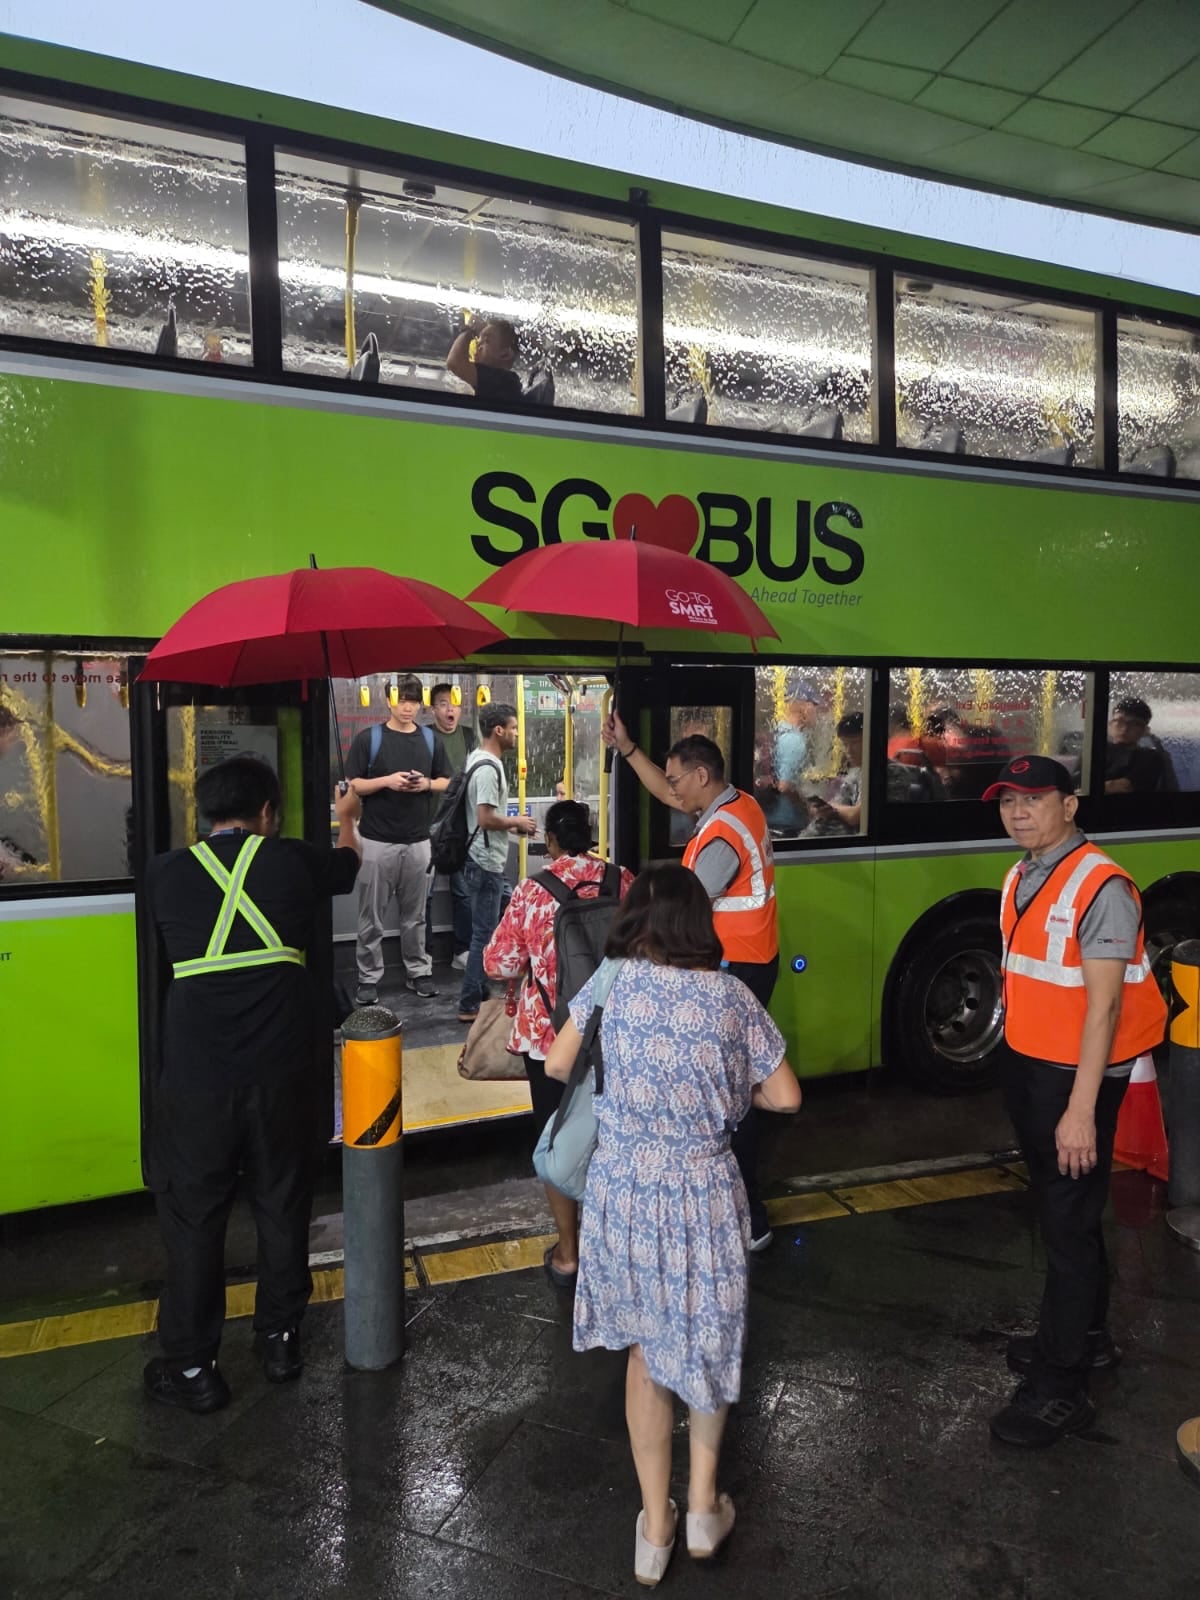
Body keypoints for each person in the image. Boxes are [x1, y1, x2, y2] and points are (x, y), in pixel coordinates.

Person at [545, 866, 800, 1585]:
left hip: (623, 1189)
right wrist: (728, 1090)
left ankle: (654, 1529)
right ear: (698, 923)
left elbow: (560, 1063)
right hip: (703, 1188)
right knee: (706, 1338)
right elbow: (785, 1096)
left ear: (634, 919)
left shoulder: (614, 983)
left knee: (646, 1351)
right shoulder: (731, 997)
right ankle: (703, 1509)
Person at [143, 756, 362, 1413]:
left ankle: (191, 1367)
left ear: (206, 814)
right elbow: (348, 867)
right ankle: (280, 1340)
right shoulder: (293, 861)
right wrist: (347, 820)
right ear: (267, 813)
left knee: (194, 1217)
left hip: (197, 1079)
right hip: (283, 1072)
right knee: (282, 1202)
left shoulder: (164, 873)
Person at [984, 754, 1167, 1447]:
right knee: (1067, 1210)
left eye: (1034, 799)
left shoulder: (1102, 886)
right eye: (1009, 801)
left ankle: (1061, 1389)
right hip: (1033, 1064)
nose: (1018, 812)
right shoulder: (1023, 874)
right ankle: (1085, 1336)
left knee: (1066, 1222)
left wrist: (1081, 1110)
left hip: (1076, 1078)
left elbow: (1106, 1008)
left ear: (1070, 806)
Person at [603, 712, 779, 1251]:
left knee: (731, 1097)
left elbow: (688, 904)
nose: (673, 790)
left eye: (679, 779)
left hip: (737, 967)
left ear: (702, 775)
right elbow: (667, 792)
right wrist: (628, 748)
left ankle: (748, 1218)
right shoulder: (732, 805)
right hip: (746, 961)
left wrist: (640, 939)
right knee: (731, 1089)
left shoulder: (724, 833)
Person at [483, 800, 634, 1285]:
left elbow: (499, 963)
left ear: (549, 841)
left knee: (558, 1139)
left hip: (551, 1040)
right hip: (616, 1034)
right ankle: (614, 1244)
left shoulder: (532, 891)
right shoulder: (622, 881)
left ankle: (569, 1254)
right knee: (615, 1140)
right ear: (589, 835)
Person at [345, 674, 451, 1006]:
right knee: (371, 915)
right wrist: (387, 781)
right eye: (402, 700)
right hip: (376, 841)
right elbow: (353, 785)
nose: (408, 707)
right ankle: (368, 977)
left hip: (419, 840)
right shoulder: (370, 739)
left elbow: (447, 781)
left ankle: (418, 971)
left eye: (413, 701)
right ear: (389, 701)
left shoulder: (430, 740)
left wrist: (426, 785)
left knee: (416, 915)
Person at [458, 702, 537, 1023]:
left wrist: (512, 827)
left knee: (513, 910)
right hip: (485, 861)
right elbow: (486, 818)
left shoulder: (476, 759)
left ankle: (483, 988)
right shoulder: (489, 769)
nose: (517, 734)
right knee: (484, 934)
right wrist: (516, 821)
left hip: (481, 858)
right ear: (499, 730)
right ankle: (469, 1002)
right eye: (514, 728)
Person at [427, 683, 476, 971]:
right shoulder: (425, 737)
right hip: (428, 825)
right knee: (425, 894)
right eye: (443, 704)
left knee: (463, 891)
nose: (450, 709)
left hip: (460, 826)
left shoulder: (469, 736)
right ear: (433, 709)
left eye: (454, 703)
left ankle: (462, 949)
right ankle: (424, 955)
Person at [801, 711, 864, 837]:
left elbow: (855, 816)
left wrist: (833, 808)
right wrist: (821, 810)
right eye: (845, 744)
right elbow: (838, 803)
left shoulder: (887, 773)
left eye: (854, 743)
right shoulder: (855, 773)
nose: (849, 750)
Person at [1105, 696, 1176, 794]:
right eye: (1120, 721)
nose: (1125, 728)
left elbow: (1124, 786)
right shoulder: (1097, 749)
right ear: (1110, 724)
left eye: (1134, 724)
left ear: (1144, 730)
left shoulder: (1149, 757)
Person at [446, 318, 523, 404]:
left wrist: (470, 330)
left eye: (487, 340)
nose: (477, 345)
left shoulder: (504, 380)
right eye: (479, 339)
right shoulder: (504, 382)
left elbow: (455, 363)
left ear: (505, 354)